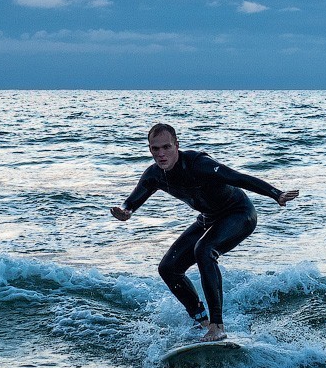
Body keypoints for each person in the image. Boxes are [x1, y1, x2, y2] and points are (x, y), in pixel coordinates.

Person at [111, 123, 299, 342]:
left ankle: (218, 326)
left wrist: (276, 194)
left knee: (204, 249)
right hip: (208, 218)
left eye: (166, 147)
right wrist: (126, 211)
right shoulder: (154, 175)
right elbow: (134, 199)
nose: (161, 154)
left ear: (177, 145)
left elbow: (238, 177)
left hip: (239, 214)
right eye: (155, 149)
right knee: (168, 268)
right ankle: (202, 321)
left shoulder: (199, 164)